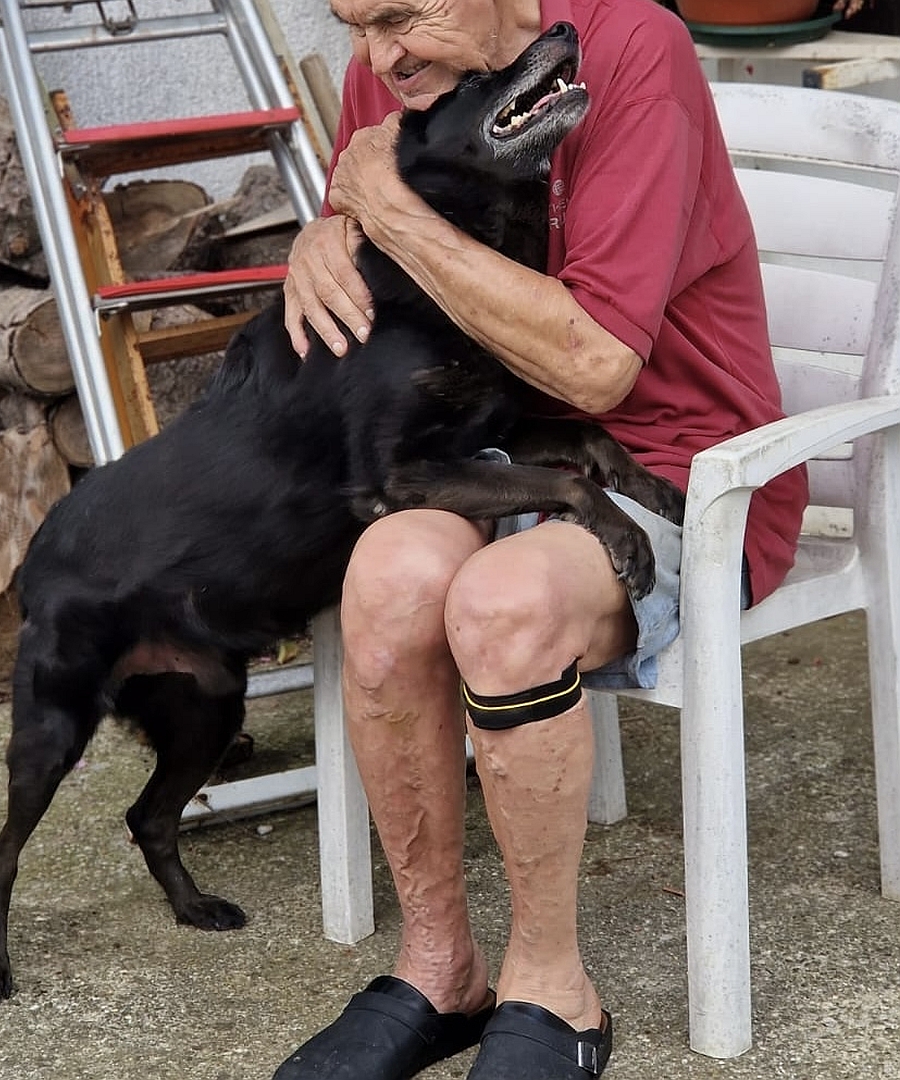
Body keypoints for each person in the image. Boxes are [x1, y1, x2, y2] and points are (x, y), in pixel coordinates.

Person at [274, 1, 808, 1078]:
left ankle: (552, 988)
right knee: (384, 580)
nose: (378, 60)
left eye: (398, 16)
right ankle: (440, 969)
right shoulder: (407, 64)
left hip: (678, 463)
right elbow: (370, 247)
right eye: (353, 25)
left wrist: (381, 206)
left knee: (501, 606)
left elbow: (597, 365)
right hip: (489, 443)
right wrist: (322, 236)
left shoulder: (630, 47)